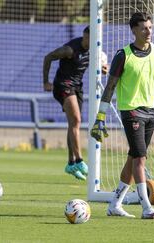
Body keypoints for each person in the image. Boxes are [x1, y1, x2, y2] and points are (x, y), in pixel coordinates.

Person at [91, 12, 154, 219]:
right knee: (140, 159)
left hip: (151, 111)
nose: (149, 32)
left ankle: (115, 204)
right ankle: (146, 207)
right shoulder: (123, 55)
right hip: (132, 111)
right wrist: (101, 116)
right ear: (134, 30)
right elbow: (110, 86)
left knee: (133, 158)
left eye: (151, 28)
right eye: (144, 28)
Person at [43, 26, 108, 181]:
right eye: (87, 38)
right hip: (62, 86)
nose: (89, 42)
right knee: (77, 121)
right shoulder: (70, 50)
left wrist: (104, 69)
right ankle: (79, 160)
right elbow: (48, 57)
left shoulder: (95, 51)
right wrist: (46, 82)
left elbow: (101, 65)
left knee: (73, 124)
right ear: (84, 37)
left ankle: (70, 163)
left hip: (77, 87)